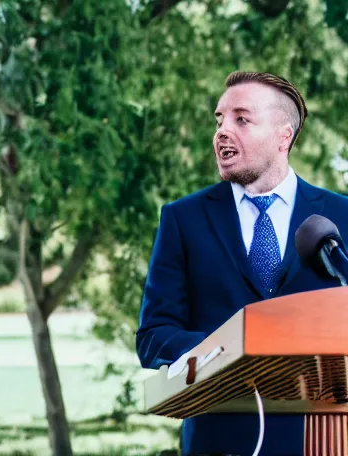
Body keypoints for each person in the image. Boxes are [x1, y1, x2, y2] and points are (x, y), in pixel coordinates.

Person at [136, 71, 348, 456]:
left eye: (241, 119)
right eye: (219, 120)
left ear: (284, 136)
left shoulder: (341, 216)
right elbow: (153, 335)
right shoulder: (182, 219)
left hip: (320, 441)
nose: (222, 131)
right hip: (217, 440)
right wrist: (231, 351)